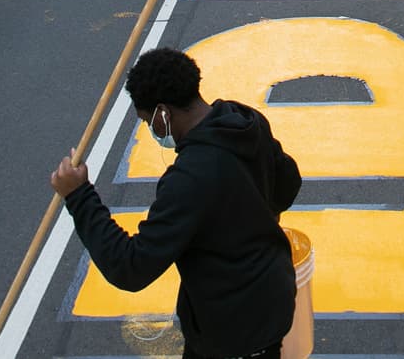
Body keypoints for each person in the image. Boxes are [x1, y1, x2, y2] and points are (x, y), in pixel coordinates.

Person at [50, 47, 301, 359]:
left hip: (232, 330)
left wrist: (79, 196)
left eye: (146, 120)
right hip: (272, 297)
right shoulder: (245, 120)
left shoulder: (189, 179)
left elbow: (131, 267)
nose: (151, 130)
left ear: (163, 114)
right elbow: (289, 184)